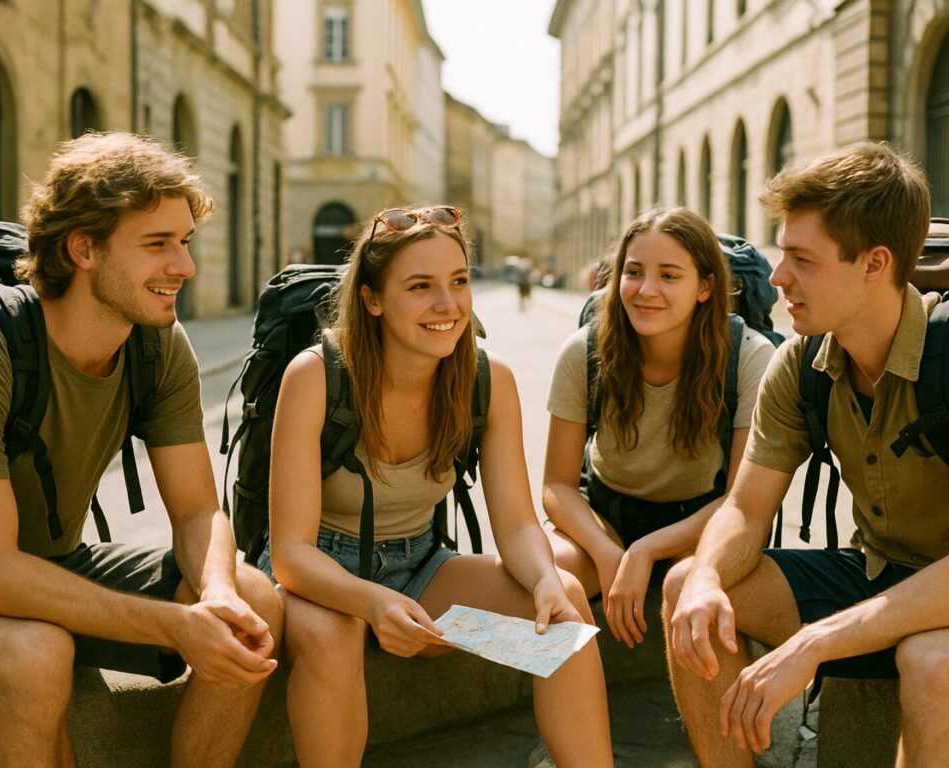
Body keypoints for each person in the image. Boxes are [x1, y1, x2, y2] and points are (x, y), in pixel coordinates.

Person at [0, 132, 282, 768]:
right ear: (82, 248)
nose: (185, 266)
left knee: (255, 600)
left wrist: (218, 592)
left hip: (60, 561)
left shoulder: (156, 344)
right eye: (157, 244)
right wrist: (176, 626)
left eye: (185, 242)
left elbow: (199, 511)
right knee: (36, 655)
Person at [263, 205, 613, 768]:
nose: (447, 306)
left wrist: (546, 579)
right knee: (334, 638)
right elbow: (290, 556)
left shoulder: (486, 377)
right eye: (420, 287)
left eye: (458, 282)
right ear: (373, 299)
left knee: (567, 604)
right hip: (320, 577)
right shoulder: (316, 374)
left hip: (419, 566)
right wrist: (374, 602)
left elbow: (519, 524)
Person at [664, 141, 946, 766]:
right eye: (780, 251)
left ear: (874, 264)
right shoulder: (803, 362)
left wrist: (815, 642)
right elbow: (744, 507)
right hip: (879, 575)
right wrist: (708, 576)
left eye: (801, 258)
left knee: (932, 662)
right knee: (689, 587)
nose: (776, 276)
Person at [543, 207, 775, 648]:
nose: (646, 290)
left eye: (669, 275)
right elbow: (557, 484)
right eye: (634, 272)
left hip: (702, 523)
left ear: (706, 287)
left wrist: (646, 550)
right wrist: (608, 551)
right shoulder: (584, 351)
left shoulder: (749, 357)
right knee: (541, 582)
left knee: (699, 597)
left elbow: (740, 499)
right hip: (604, 516)